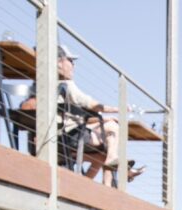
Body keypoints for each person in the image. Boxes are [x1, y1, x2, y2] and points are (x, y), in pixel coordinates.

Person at [54, 44, 144, 185]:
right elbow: (93, 105)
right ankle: (116, 171)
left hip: (64, 133)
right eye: (71, 61)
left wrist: (104, 119)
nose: (73, 66)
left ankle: (86, 183)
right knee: (113, 128)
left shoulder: (50, 85)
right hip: (70, 136)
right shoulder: (66, 85)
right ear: (59, 62)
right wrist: (119, 109)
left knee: (104, 152)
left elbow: (77, 115)